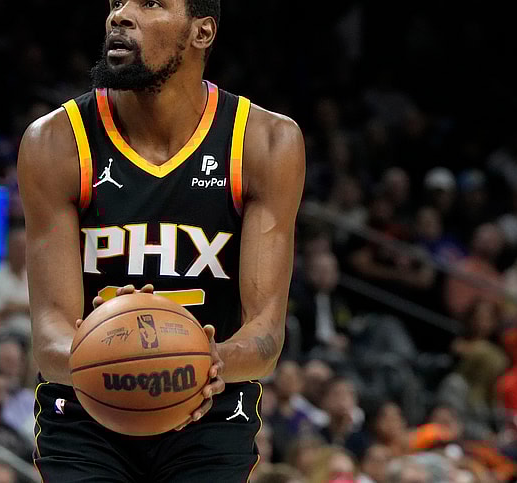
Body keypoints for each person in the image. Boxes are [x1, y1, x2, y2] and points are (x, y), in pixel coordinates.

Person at [17, 0, 305, 480]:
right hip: (86, 409)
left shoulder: (264, 142)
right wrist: (119, 354)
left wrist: (204, 364)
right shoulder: (56, 141)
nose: (120, 15)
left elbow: (265, 337)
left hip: (211, 406)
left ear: (201, 32)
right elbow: (50, 338)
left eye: (150, 2)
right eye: (116, 2)